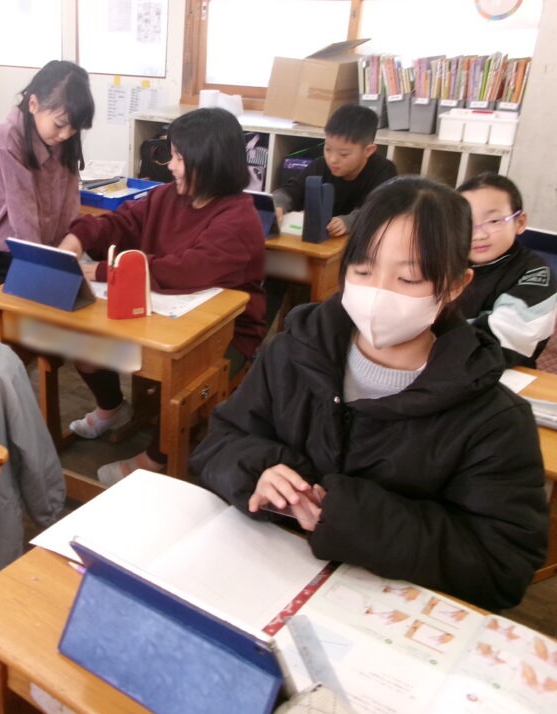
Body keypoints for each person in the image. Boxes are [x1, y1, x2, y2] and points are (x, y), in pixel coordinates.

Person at [191, 176, 548, 612]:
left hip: (380, 616)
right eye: (362, 270)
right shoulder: (292, 352)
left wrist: (347, 515)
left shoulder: (493, 419)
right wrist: (258, 471)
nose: (378, 293)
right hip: (261, 583)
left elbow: (501, 565)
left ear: (456, 285)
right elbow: (219, 443)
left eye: (409, 278)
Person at [58, 107, 267, 486]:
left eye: (179, 158)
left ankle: (158, 456)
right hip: (162, 313)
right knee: (82, 342)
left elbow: (185, 271)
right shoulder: (167, 196)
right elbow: (122, 221)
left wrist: (103, 271)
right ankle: (112, 408)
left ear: (208, 161)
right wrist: (78, 238)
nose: (170, 166)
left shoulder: (238, 218)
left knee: (183, 378)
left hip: (228, 333)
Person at [0, 60, 95, 299]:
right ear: (33, 104)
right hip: (1, 252)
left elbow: (70, 201)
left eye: (74, 129)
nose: (65, 135)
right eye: (59, 125)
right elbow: (22, 213)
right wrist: (45, 265)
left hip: (47, 251)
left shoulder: (62, 139)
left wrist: (68, 250)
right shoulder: (8, 136)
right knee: (34, 315)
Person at [457, 172, 557, 368]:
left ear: (519, 222)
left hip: (495, 375)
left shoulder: (535, 274)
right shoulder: (445, 262)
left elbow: (494, 345)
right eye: (466, 223)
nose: (478, 235)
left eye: (493, 221)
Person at [273, 104, 397, 237]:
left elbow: (379, 211)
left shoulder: (384, 171)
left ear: (368, 151)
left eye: (344, 154)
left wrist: (349, 222)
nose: (332, 159)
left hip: (361, 241)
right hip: (324, 240)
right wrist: (277, 205)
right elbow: (291, 191)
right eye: (328, 149)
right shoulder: (320, 166)